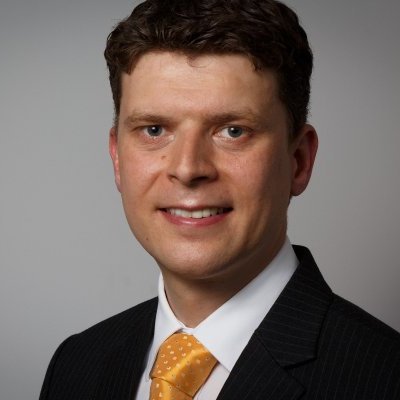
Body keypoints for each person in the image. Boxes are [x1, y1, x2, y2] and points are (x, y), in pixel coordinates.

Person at [39, 0, 400, 399]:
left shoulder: (384, 378)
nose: (188, 168)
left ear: (298, 160)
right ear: (118, 159)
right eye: (154, 129)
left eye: (232, 131)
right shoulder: (76, 364)